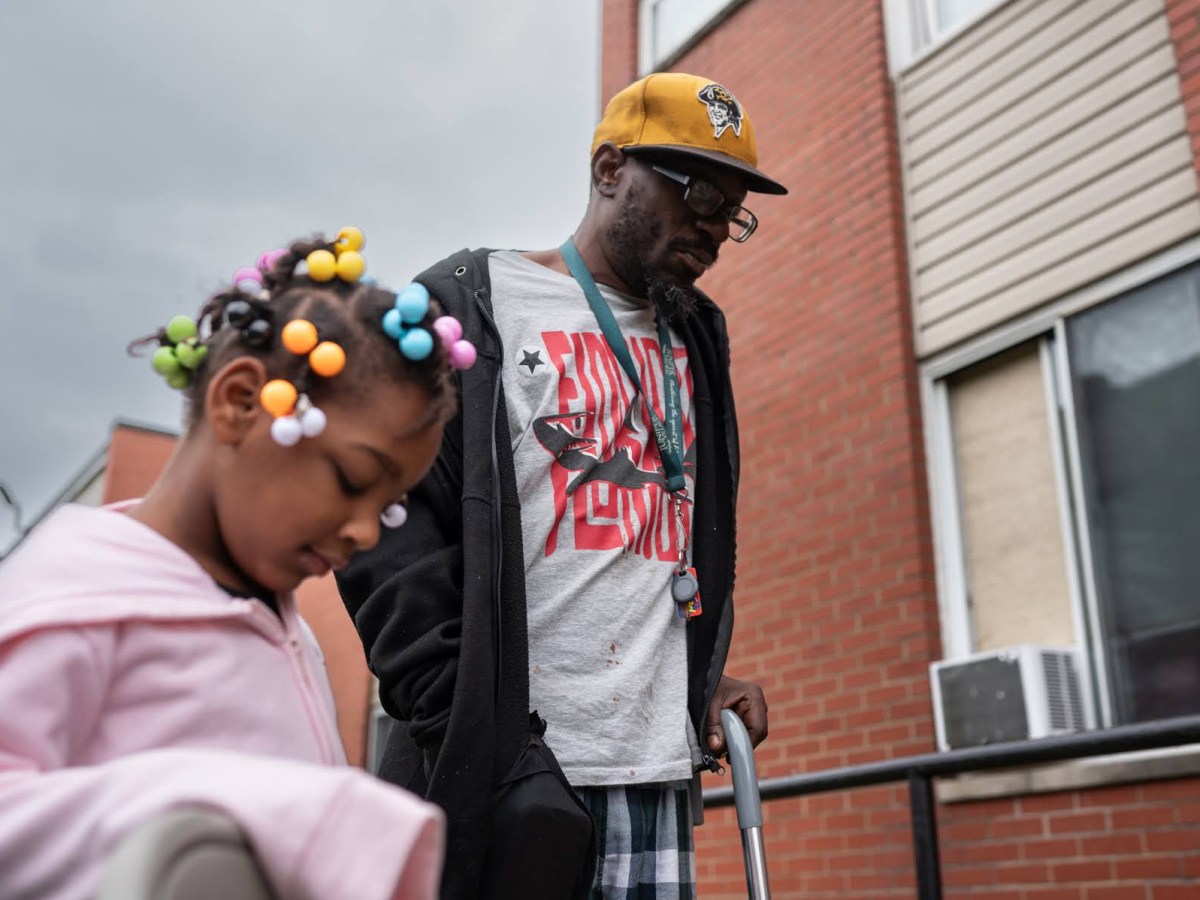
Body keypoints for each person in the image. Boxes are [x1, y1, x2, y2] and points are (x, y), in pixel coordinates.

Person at [338, 72, 786, 899]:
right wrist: (466, 721)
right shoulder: (470, 304)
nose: (716, 226)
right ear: (610, 167)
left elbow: (657, 542)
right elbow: (384, 528)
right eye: (697, 192)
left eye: (734, 210)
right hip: (506, 780)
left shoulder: (697, 335)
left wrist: (698, 674)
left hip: (652, 772)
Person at [0, 227, 478, 900]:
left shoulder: (288, 632)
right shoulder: (74, 596)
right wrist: (232, 813)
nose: (367, 532)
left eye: (391, 506)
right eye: (349, 479)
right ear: (240, 402)